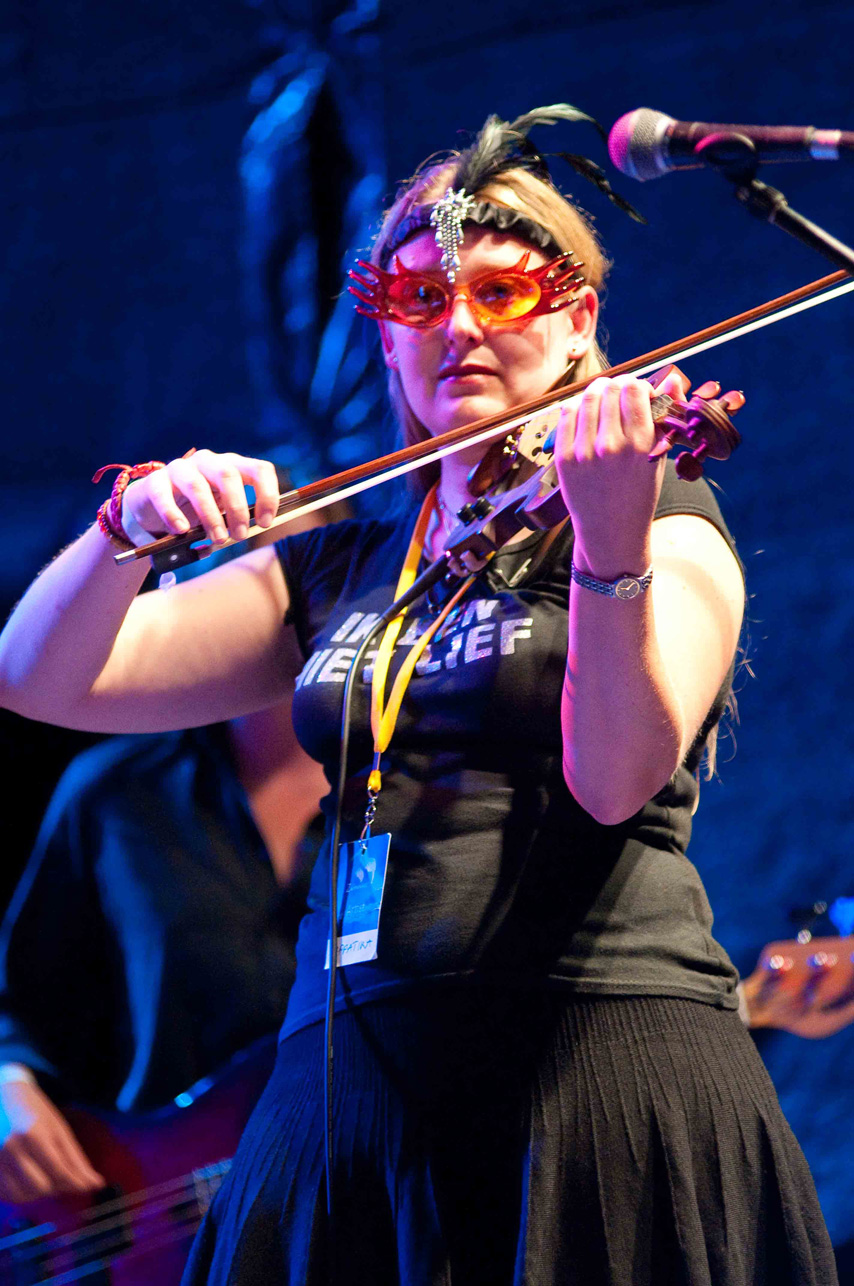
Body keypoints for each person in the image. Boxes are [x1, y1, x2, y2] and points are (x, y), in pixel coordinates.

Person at [0, 104, 836, 1284]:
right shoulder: (340, 559)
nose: (460, 326)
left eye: (502, 292)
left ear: (576, 320)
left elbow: (614, 780)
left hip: (593, 1054)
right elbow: (38, 678)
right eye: (420, 299)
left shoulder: (659, 512)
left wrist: (607, 546)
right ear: (385, 336)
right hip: (344, 1080)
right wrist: (122, 530)